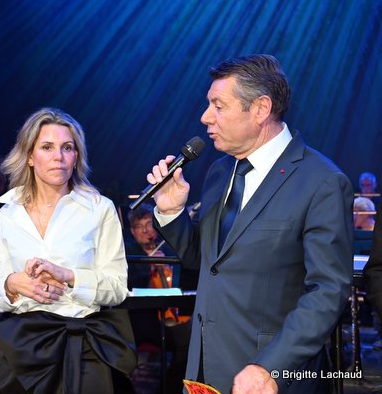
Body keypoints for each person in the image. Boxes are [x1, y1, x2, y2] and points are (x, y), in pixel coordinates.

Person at [146, 54, 353, 394]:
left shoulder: (322, 181)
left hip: (268, 377)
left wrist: (270, 366)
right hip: (202, 371)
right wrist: (171, 212)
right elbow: (207, 262)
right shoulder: (218, 172)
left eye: (218, 106)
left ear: (260, 109)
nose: (205, 117)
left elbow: (327, 292)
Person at [0, 108, 136, 394]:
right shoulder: (7, 214)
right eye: (47, 147)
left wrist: (69, 276)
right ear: (30, 156)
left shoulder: (99, 208)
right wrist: (12, 284)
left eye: (67, 147)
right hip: (26, 347)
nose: (59, 156)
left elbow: (118, 289)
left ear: (76, 156)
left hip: (86, 347)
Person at [125, 203, 191, 394]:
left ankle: (169, 387)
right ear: (133, 231)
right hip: (140, 319)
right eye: (139, 226)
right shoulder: (129, 254)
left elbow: (183, 282)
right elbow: (128, 284)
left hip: (169, 314)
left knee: (190, 338)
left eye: (149, 224)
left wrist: (168, 265)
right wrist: (150, 266)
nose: (146, 231)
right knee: (183, 339)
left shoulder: (168, 251)